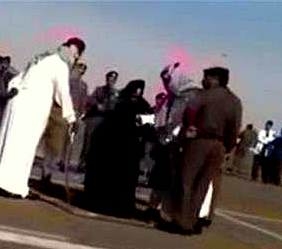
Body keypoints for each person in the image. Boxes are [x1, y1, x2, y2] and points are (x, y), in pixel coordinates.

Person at [0, 37, 86, 198]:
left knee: (13, 143)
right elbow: (63, 93)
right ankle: (10, 185)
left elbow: (17, 80)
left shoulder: (42, 57)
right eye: (76, 55)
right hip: (31, 108)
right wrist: (71, 118)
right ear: (73, 52)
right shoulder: (59, 64)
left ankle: (11, 183)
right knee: (22, 147)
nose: (74, 59)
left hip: (19, 102)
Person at [168, 67, 242, 233]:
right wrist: (226, 147)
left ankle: (180, 220)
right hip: (219, 146)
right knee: (202, 185)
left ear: (215, 78)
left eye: (206, 77)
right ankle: (192, 222)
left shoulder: (204, 95)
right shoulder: (235, 101)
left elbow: (189, 113)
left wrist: (186, 133)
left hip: (199, 141)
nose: (203, 80)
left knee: (186, 181)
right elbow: (234, 128)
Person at [83, 79, 152, 218]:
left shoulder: (144, 106)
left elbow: (148, 127)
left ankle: (122, 208)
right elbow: (109, 120)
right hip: (111, 147)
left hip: (130, 149)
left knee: (125, 181)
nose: (136, 95)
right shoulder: (119, 101)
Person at [149, 63, 202, 212]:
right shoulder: (176, 97)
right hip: (171, 142)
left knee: (169, 178)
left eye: (167, 81)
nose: (166, 85)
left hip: (176, 143)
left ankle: (164, 209)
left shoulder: (188, 97)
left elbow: (176, 122)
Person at [77, 70, 119, 172]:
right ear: (107, 78)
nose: (111, 80)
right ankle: (82, 163)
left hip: (107, 121)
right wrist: (97, 105)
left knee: (101, 145)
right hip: (95, 118)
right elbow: (91, 100)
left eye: (113, 79)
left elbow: (115, 108)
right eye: (109, 78)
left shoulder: (116, 94)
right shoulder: (99, 90)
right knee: (88, 143)